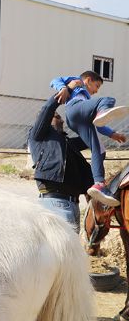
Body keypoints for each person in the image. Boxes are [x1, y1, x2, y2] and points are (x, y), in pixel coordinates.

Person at [50, 72, 128, 206]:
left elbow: (98, 124)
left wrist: (112, 134)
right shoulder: (77, 81)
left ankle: (98, 184)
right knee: (108, 100)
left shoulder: (88, 103)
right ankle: (103, 109)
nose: (96, 91)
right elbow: (55, 80)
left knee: (99, 150)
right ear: (88, 80)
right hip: (75, 109)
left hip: (79, 120)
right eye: (96, 86)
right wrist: (64, 88)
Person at [28, 93, 94, 232]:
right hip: (56, 203)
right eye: (58, 117)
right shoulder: (39, 135)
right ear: (46, 120)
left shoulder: (66, 143)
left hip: (73, 204)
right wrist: (64, 93)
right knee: (62, 252)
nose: (62, 121)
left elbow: (88, 139)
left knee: (68, 251)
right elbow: (47, 109)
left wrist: (93, 116)